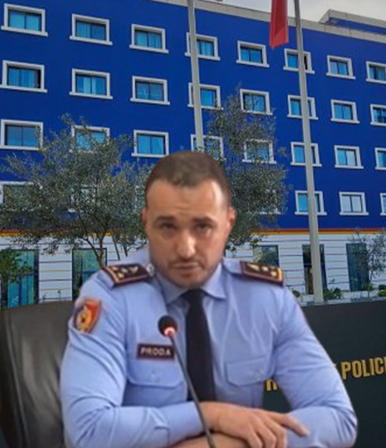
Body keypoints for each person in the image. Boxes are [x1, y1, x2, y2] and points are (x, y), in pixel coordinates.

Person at [60, 151, 357, 448]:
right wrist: (211, 415)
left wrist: (226, 445)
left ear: (228, 223)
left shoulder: (265, 297)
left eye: (202, 227)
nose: (186, 249)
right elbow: (87, 433)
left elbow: (337, 418)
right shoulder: (111, 297)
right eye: (168, 227)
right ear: (146, 222)